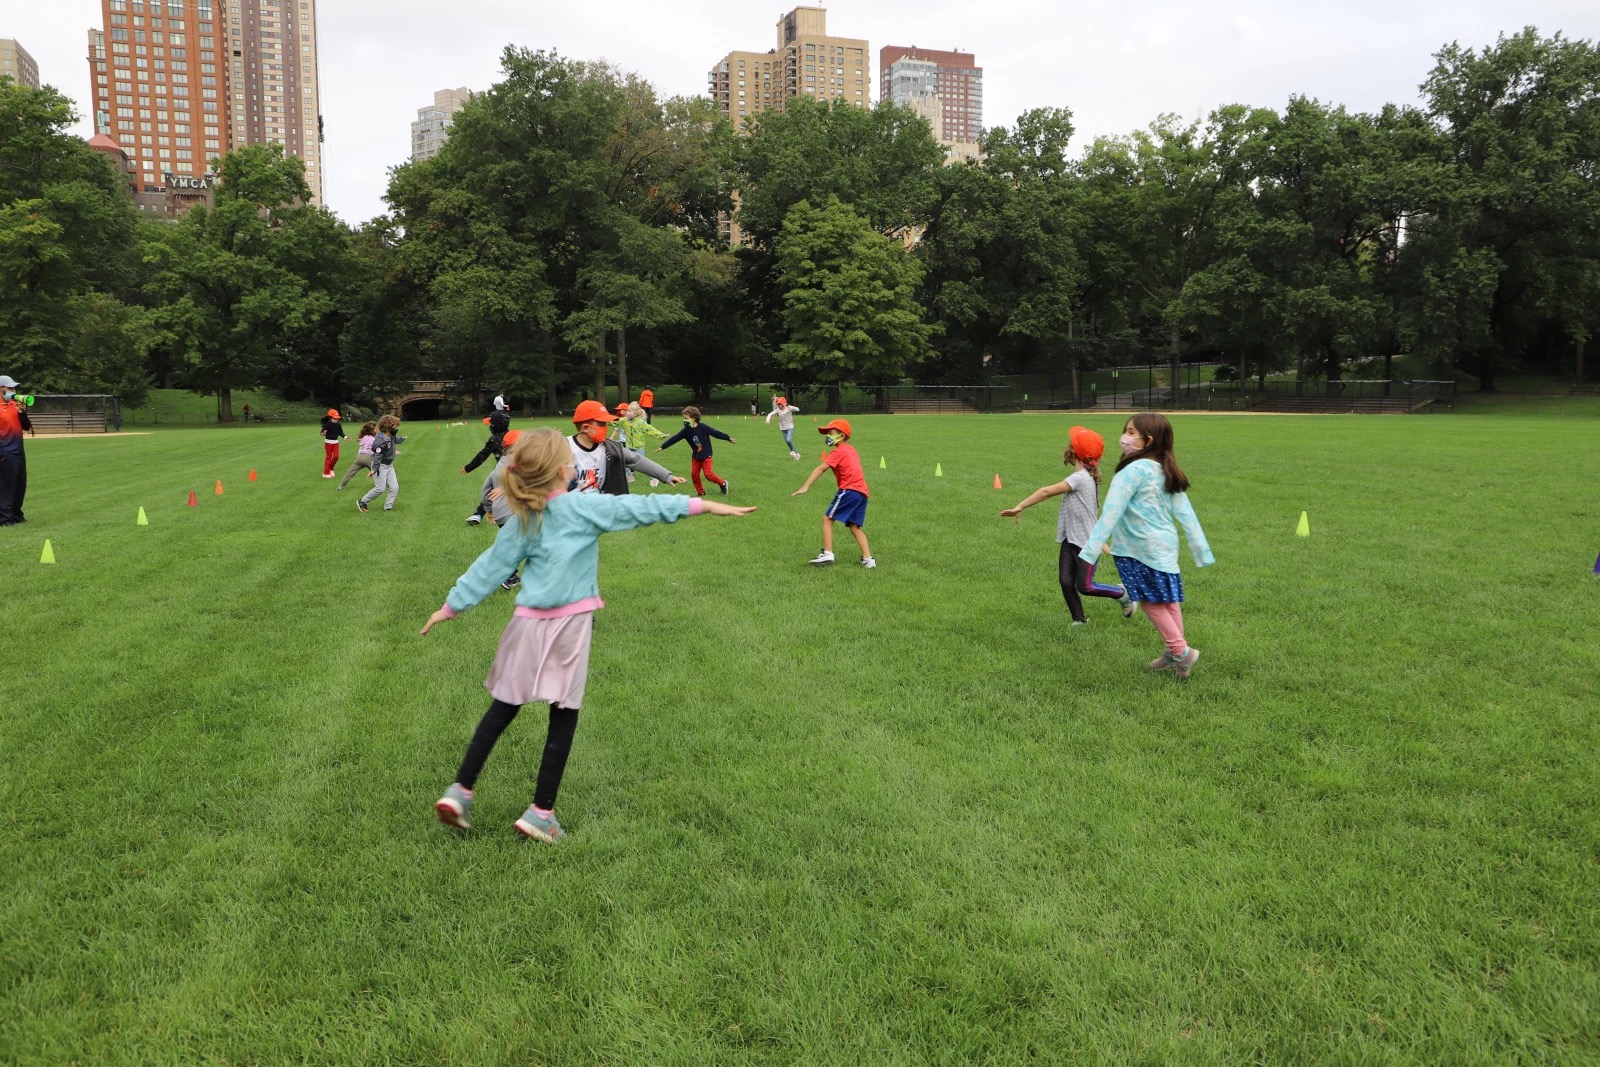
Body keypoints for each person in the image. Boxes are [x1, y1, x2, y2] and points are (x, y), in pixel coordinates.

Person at [422, 428, 757, 842]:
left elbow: (490, 567)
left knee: (503, 707)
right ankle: (540, 813)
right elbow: (641, 508)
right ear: (563, 469)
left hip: (525, 625)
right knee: (563, 713)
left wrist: (450, 607)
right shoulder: (583, 507)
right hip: (569, 627)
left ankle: (460, 791)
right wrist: (704, 505)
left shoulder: (524, 515)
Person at [1081, 413, 1214, 679]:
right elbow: (1186, 514)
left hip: (1137, 550)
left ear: (1148, 439)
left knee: (1151, 602)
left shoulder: (1133, 471)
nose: (1125, 437)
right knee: (1168, 600)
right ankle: (1173, 653)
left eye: (1131, 432)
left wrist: (1090, 549)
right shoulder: (1165, 469)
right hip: (1165, 548)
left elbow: (1111, 513)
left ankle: (1182, 651)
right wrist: (1201, 549)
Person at [1000, 426, 1137, 626]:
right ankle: (1079, 620)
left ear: (1074, 452)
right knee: (1065, 581)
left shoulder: (1080, 478)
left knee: (1086, 586)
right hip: (1071, 538)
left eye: (1071, 444)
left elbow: (1046, 491)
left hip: (1087, 543)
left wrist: (1020, 506)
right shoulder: (1086, 475)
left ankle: (1122, 593)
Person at [792, 418, 874, 568]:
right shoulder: (851, 450)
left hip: (849, 490)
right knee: (854, 526)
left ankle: (827, 554)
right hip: (862, 493)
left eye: (831, 433)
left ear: (841, 436)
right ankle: (868, 560)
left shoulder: (838, 451)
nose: (828, 437)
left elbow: (820, 469)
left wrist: (805, 487)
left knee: (827, 519)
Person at [567, 400, 683, 495]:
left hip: (601, 512)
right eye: (602, 425)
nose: (606, 428)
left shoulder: (611, 448)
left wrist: (666, 476)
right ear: (586, 428)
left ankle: (640, 478)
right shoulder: (563, 448)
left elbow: (636, 459)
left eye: (607, 424)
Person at [657, 406, 735, 497]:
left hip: (706, 454)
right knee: (694, 475)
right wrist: (663, 447)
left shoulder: (703, 427)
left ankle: (723, 483)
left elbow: (715, 433)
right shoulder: (686, 431)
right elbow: (675, 438)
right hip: (696, 456)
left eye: (686, 418)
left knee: (708, 474)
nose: (684, 421)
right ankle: (701, 492)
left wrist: (727, 438)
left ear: (693, 419)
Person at [462, 404, 513, 525]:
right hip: (514, 471)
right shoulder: (512, 436)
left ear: (494, 425)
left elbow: (482, 455)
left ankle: (482, 514)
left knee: (491, 491)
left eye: (491, 423)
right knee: (493, 490)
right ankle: (479, 514)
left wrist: (468, 467)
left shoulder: (494, 439)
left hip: (503, 471)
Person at [0, 375, 33, 526]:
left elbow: (26, 427)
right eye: (10, 388)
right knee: (7, 486)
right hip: (5, 452)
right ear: (1, 390)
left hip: (19, 451)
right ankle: (5, 518)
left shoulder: (15, 405)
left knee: (20, 485)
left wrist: (22, 413)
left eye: (14, 388)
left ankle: (16, 514)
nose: (13, 391)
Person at [357, 414, 405, 513]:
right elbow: (377, 457)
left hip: (389, 466)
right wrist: (374, 469)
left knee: (394, 487)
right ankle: (362, 501)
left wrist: (403, 439)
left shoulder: (390, 436)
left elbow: (396, 439)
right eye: (394, 426)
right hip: (380, 467)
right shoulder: (380, 442)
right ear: (387, 427)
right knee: (380, 488)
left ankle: (388, 507)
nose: (396, 428)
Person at [615, 401, 666, 482]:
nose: (627, 413)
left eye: (629, 411)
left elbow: (650, 429)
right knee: (623, 460)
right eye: (627, 410)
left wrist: (661, 435)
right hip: (629, 446)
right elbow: (614, 422)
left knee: (643, 465)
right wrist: (602, 421)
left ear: (635, 413)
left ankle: (653, 478)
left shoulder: (641, 423)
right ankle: (629, 476)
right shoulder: (624, 421)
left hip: (639, 447)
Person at [335, 421, 378, 490]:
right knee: (377, 471)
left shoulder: (363, 438)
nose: (377, 430)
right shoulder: (374, 439)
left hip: (359, 457)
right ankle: (383, 485)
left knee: (351, 471)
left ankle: (341, 485)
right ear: (372, 431)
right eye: (376, 429)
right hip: (368, 458)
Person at [764, 395, 803, 459]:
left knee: (788, 440)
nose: (780, 405)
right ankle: (797, 454)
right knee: (788, 442)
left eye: (781, 404)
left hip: (790, 427)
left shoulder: (789, 408)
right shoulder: (778, 410)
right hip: (783, 429)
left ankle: (792, 451)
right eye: (778, 404)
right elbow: (770, 414)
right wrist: (767, 420)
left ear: (785, 403)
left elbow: (798, 409)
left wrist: (791, 407)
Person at [319, 408, 345, 478]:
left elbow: (340, 432)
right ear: (330, 418)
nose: (336, 420)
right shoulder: (327, 425)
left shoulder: (338, 425)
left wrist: (345, 437)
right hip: (328, 443)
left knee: (336, 456)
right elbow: (322, 433)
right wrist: (323, 433)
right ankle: (325, 473)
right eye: (334, 418)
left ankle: (331, 468)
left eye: (337, 418)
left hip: (336, 443)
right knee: (328, 457)